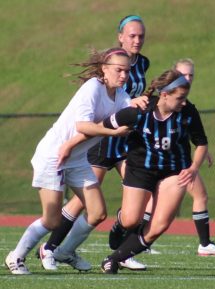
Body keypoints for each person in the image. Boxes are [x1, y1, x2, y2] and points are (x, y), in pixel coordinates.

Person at [5, 47, 147, 275]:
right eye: (119, 70)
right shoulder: (92, 88)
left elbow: (126, 114)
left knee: (97, 212)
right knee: (51, 220)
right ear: (104, 69)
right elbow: (83, 126)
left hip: (77, 159)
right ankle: (16, 256)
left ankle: (64, 252)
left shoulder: (120, 95)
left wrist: (139, 105)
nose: (124, 76)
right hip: (54, 154)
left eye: (127, 71)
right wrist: (112, 132)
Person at [37, 15, 149, 271]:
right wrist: (72, 143)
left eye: (141, 36)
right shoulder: (110, 68)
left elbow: (127, 103)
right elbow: (99, 114)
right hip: (100, 139)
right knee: (82, 200)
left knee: (140, 191)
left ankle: (122, 250)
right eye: (131, 35)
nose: (137, 40)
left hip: (121, 140)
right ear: (120, 36)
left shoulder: (142, 63)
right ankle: (51, 247)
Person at [100, 68, 209, 274]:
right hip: (140, 169)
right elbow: (104, 124)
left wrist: (194, 167)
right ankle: (121, 221)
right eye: (180, 98)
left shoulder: (187, 112)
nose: (184, 102)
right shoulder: (138, 111)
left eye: (186, 97)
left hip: (174, 171)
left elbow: (201, 143)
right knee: (132, 220)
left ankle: (114, 259)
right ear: (165, 95)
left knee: (158, 225)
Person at [141, 58, 215, 255]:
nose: (188, 78)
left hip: (178, 161)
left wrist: (201, 153)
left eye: (191, 75)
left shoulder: (185, 107)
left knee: (191, 196)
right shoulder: (156, 104)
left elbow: (193, 136)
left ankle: (143, 240)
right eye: (183, 74)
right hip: (162, 162)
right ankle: (141, 240)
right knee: (153, 201)